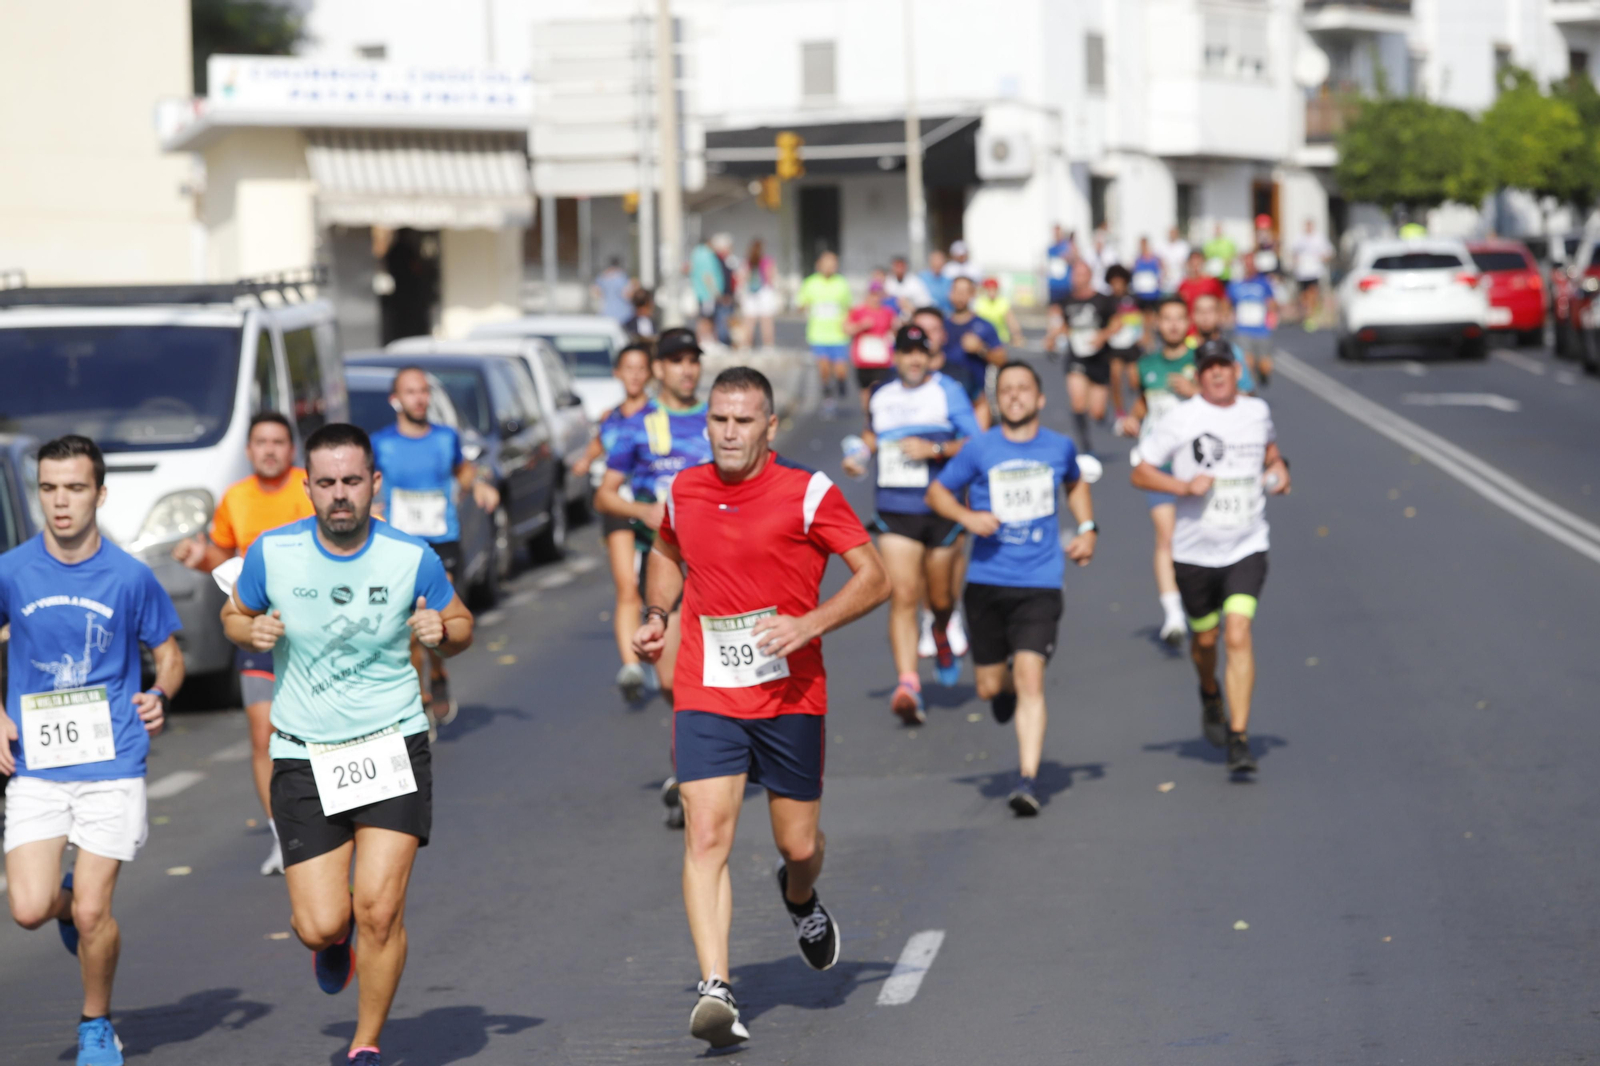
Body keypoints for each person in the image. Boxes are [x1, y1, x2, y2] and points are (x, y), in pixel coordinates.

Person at [632, 367, 890, 1050]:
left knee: (797, 845)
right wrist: (658, 612)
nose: (729, 433)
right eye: (719, 419)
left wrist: (810, 624)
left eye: (743, 421)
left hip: (790, 693)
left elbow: (876, 578)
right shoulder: (685, 489)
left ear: (770, 427)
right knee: (705, 836)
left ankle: (799, 894)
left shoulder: (808, 493)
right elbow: (665, 551)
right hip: (708, 689)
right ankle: (716, 987)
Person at [223, 423, 473, 1066]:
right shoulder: (273, 552)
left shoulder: (409, 555)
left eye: (353, 481)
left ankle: (365, 1044)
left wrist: (442, 631)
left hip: (391, 743)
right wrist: (251, 631)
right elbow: (234, 613)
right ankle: (333, 944)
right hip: (305, 753)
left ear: (374, 483)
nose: (340, 494)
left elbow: (461, 621)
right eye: (328, 482)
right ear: (308, 487)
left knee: (380, 910)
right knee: (320, 924)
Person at [4, 434, 184, 1066]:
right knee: (29, 908)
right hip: (37, 765)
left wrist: (160, 693)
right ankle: (66, 909)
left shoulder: (130, 576)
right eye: (49, 488)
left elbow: (168, 654)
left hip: (113, 762)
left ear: (99, 495)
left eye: (75, 488)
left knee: (92, 911)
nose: (61, 502)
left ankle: (95, 1023)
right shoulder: (11, 570)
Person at [926, 363, 1095, 814]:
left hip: (1040, 582)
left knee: (1030, 675)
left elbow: (1075, 483)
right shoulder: (979, 448)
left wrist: (1087, 528)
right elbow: (938, 493)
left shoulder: (1059, 447)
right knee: (988, 688)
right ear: (997, 401)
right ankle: (1002, 690)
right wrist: (967, 518)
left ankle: (1027, 780)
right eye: (1006, 391)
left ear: (1040, 398)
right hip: (986, 582)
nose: (1015, 396)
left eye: (1023, 389)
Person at [1130, 339, 1290, 775]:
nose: (1217, 373)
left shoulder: (1257, 412)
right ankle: (1209, 691)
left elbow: (1271, 451)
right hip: (1194, 552)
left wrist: (1280, 470)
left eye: (1224, 365)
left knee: (1237, 633)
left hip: (1246, 544)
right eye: (1208, 367)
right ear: (1198, 375)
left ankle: (1239, 737)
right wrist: (1183, 487)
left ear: (1237, 371)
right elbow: (1140, 472)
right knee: (1205, 641)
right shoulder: (1182, 419)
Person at [172, 411, 314, 875]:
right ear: (249, 450)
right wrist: (201, 557)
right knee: (262, 735)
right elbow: (223, 555)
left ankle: (324, 823)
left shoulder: (310, 489)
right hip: (257, 630)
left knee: (314, 733)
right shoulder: (235, 497)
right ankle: (282, 837)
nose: (270, 450)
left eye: (278, 442)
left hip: (311, 633)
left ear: (291, 449)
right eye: (261, 442)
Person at [595, 327, 712, 824]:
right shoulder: (637, 425)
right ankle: (697, 766)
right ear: (659, 368)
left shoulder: (718, 420)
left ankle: (692, 777)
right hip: (667, 565)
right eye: (677, 360)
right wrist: (642, 512)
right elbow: (605, 493)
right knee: (671, 680)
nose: (687, 369)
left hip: (721, 565)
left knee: (716, 674)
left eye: (693, 360)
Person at [843, 323, 979, 721]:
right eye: (907, 352)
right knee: (902, 594)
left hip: (941, 510)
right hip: (894, 509)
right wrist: (859, 455)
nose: (914, 359)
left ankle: (940, 631)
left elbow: (976, 442)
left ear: (930, 356)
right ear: (897, 356)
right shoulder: (881, 394)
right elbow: (871, 436)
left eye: (921, 352)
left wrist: (934, 448)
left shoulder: (947, 391)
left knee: (940, 599)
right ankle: (908, 684)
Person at [371, 368, 499, 735]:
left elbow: (463, 471)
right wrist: (372, 508)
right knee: (409, 628)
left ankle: (439, 671)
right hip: (398, 543)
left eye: (423, 391)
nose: (419, 398)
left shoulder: (445, 437)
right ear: (395, 399)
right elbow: (368, 483)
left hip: (441, 540)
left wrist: (479, 485)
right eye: (411, 392)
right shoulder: (381, 443)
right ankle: (421, 698)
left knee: (436, 617)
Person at [569, 342, 656, 701]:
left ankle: (657, 653)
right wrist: (584, 462)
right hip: (618, 506)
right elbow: (598, 446)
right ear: (617, 373)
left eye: (640, 368)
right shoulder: (611, 417)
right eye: (628, 369)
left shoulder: (658, 415)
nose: (634, 375)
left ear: (650, 373)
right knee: (627, 587)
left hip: (653, 507)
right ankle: (631, 666)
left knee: (655, 589)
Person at [1117, 296, 1199, 645]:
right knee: (1166, 536)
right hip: (1159, 467)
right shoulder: (1146, 364)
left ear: (1188, 323)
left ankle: (1199, 602)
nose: (1173, 325)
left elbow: (1222, 404)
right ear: (1157, 324)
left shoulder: (1201, 360)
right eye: (1167, 318)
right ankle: (1173, 615)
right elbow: (1144, 403)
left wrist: (1194, 392)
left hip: (1196, 466)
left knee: (1196, 536)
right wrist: (1131, 421)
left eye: (1180, 318)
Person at [1045, 260, 1118, 456]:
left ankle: (1104, 419)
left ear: (1090, 276)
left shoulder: (1103, 299)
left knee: (1097, 411)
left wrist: (1103, 336)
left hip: (1099, 358)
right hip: (1076, 358)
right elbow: (1062, 326)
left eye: (1082, 274)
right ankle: (1086, 446)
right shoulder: (1066, 301)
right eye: (1075, 274)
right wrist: (1052, 338)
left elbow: (1117, 323)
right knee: (1078, 402)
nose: (1078, 278)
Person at [796, 251, 853, 420]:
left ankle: (841, 382)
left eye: (833, 264)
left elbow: (849, 307)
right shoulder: (810, 283)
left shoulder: (841, 283)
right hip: (818, 334)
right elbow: (801, 303)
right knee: (824, 368)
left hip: (839, 335)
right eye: (827, 264)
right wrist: (802, 307)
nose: (830, 267)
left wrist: (848, 323)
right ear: (819, 265)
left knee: (841, 370)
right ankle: (828, 398)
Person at [944, 276, 1006, 430]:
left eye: (964, 292)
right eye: (956, 291)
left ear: (972, 295)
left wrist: (981, 349)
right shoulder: (940, 326)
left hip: (975, 400)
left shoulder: (984, 326)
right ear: (949, 294)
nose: (959, 296)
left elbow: (1002, 360)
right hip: (944, 399)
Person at [845, 279, 898, 411]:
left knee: (879, 390)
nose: (875, 298)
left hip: (881, 360)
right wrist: (861, 326)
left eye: (878, 294)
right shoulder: (858, 311)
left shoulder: (888, 312)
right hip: (863, 360)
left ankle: (877, 414)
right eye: (873, 294)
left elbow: (895, 333)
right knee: (865, 392)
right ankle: (867, 417)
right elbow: (846, 329)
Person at [1227, 253, 1278, 386]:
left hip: (1262, 330)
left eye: (1251, 264)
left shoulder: (1264, 283)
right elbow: (1227, 304)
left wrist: (1273, 316)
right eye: (1246, 264)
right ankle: (1250, 387)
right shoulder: (1235, 285)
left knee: (1265, 366)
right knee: (1247, 363)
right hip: (1242, 330)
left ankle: (1262, 374)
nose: (1249, 267)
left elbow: (1272, 302)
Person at [1102, 264, 1144, 422]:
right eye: (1114, 282)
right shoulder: (1106, 301)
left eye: (1120, 282)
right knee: (1115, 379)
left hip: (1132, 345)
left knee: (1135, 381)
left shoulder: (1134, 299)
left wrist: (1145, 335)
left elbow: (1143, 316)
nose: (1117, 286)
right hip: (1114, 347)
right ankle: (1119, 411)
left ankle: (1137, 409)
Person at [1291, 219, 1334, 330]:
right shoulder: (1300, 238)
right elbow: (1293, 251)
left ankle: (1310, 315)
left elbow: (1329, 251)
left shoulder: (1319, 238)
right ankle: (1306, 314)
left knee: (1313, 293)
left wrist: (1323, 258)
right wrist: (1295, 261)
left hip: (1314, 271)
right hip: (1302, 272)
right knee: (1304, 295)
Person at [739, 238, 778, 349]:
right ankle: (768, 345)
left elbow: (743, 277)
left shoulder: (747, 261)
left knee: (749, 321)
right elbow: (771, 276)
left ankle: (746, 344)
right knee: (766, 320)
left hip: (750, 292)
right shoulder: (767, 260)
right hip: (764, 291)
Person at [689, 236, 728, 346]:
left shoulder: (696, 253)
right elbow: (708, 275)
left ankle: (704, 340)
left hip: (700, 292)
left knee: (703, 317)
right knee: (706, 318)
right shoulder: (706, 254)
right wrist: (715, 292)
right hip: (707, 293)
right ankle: (704, 340)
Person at [974, 277, 1024, 348]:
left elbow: (1011, 321)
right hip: (982, 340)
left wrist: (1017, 336)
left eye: (994, 289)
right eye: (989, 289)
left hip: (1000, 340)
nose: (991, 292)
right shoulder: (979, 302)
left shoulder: (1002, 302)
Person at [1177, 250, 1227, 315]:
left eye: (1198, 263)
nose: (1195, 266)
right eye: (1192, 263)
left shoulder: (1212, 282)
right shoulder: (1183, 285)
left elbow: (1223, 301)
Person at [884, 255, 932, 320]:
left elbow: (925, 302)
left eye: (901, 266)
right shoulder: (887, 281)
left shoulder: (915, 281)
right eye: (897, 266)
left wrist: (910, 306)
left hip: (913, 315)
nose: (899, 269)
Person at [593, 257, 634, 324]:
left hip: (606, 312)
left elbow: (596, 292)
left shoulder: (602, 276)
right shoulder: (622, 277)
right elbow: (626, 294)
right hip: (622, 313)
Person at [1046, 224, 1075, 305]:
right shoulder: (1050, 249)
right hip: (1053, 287)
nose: (1057, 235)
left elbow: (1075, 260)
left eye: (1058, 233)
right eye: (1055, 233)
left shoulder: (1069, 247)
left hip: (1066, 287)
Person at [1159, 225, 1191, 296]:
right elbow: (1160, 260)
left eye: (1174, 233)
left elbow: (1186, 261)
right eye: (1171, 233)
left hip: (1180, 274)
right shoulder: (1163, 246)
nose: (1172, 235)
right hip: (1167, 276)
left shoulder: (1183, 246)